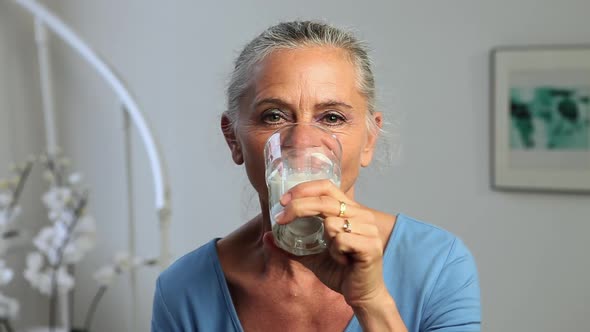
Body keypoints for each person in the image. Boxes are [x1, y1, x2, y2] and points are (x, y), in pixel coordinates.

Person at [151, 21, 481, 332]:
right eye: (274, 116)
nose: (302, 142)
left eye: (332, 117)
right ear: (233, 139)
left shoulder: (438, 264)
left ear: (369, 140)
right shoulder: (183, 290)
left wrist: (371, 301)